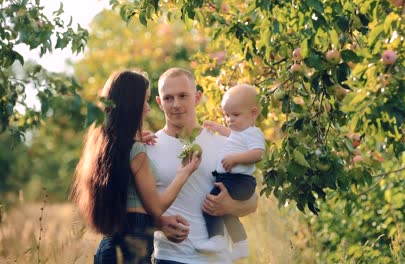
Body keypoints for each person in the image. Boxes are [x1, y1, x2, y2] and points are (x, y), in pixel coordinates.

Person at [71, 70, 201, 264]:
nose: (148, 108)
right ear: (132, 105)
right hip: (130, 252)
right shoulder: (136, 150)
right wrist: (184, 173)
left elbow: (133, 211)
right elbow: (156, 207)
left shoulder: (105, 146)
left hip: (108, 249)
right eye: (145, 100)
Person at [146, 68, 258, 263]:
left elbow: (252, 200)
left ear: (197, 97)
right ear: (159, 102)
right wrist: (158, 224)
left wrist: (230, 205)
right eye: (168, 98)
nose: (176, 104)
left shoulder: (224, 144)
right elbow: (131, 209)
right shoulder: (148, 147)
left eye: (183, 96)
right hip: (171, 257)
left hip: (217, 259)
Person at [196, 84, 265, 260]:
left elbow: (258, 153)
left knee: (210, 205)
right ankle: (241, 246)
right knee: (228, 214)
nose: (230, 120)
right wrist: (217, 127)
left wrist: (235, 159)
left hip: (238, 181)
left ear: (254, 113)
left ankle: (217, 238)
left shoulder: (253, 133)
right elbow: (229, 133)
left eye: (235, 115)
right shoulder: (239, 133)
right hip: (232, 179)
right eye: (227, 115)